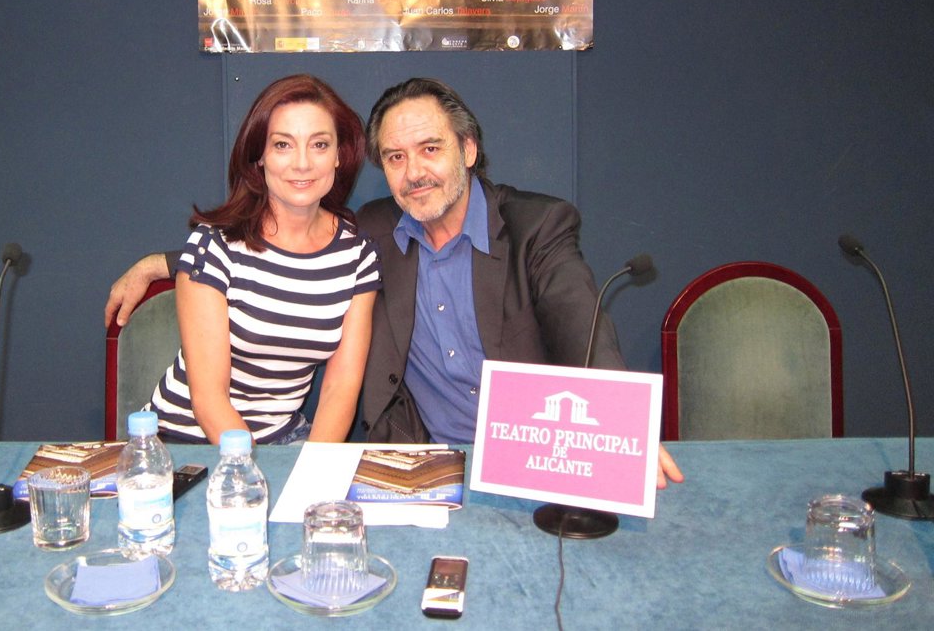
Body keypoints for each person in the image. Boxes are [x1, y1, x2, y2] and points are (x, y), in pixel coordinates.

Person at [108, 78, 682, 488]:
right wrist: (164, 262)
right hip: (413, 461)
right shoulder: (377, 230)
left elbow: (582, 325)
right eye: (396, 157)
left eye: (431, 149)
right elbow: (254, 248)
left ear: (468, 149)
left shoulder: (534, 227)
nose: (415, 172)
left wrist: (621, 429)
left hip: (528, 456)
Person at [144, 74, 381, 445]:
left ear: (339, 155)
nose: (302, 163)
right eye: (283, 145)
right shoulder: (214, 246)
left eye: (319, 144)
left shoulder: (357, 256)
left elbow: (340, 389)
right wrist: (252, 474)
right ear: (260, 156)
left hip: (281, 439)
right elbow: (209, 400)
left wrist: (313, 470)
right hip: (186, 440)